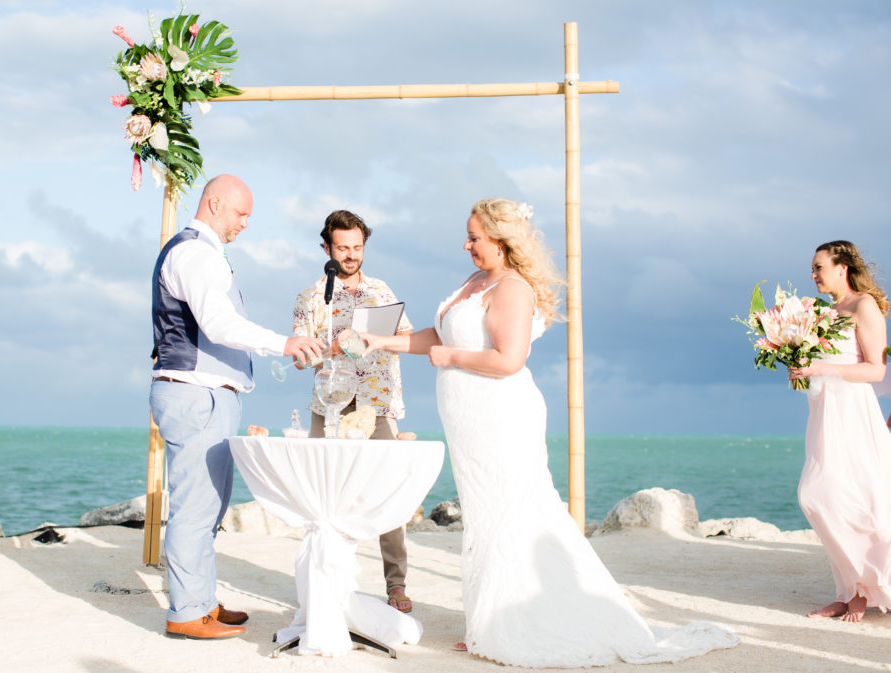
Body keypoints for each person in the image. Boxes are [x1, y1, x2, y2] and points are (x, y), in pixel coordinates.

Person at [361, 199, 737, 666]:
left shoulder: (513, 288)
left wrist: (453, 359)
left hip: (499, 417)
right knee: (485, 515)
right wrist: (383, 342)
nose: (467, 245)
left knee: (511, 512)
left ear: (501, 239)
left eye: (475, 237)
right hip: (469, 422)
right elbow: (438, 337)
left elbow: (508, 359)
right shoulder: (476, 282)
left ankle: (517, 622)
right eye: (468, 236)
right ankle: (491, 620)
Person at [150, 175, 324, 640]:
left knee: (210, 507)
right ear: (214, 203)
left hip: (207, 395)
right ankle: (186, 611)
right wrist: (283, 343)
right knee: (194, 508)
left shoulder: (202, 255)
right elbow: (219, 324)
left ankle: (200, 599)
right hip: (197, 393)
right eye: (241, 213)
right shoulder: (193, 254)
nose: (246, 223)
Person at [291, 209, 415, 612]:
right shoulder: (310, 297)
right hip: (329, 405)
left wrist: (374, 337)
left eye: (357, 247)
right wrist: (331, 347)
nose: (350, 255)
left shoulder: (381, 289)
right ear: (326, 247)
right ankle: (326, 579)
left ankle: (396, 584)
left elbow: (407, 336)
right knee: (322, 494)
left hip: (376, 404)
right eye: (342, 248)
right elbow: (298, 358)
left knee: (388, 492)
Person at [789, 240, 891, 622]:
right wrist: (801, 369)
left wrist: (820, 369)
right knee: (819, 496)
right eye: (813, 269)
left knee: (850, 497)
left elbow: (876, 371)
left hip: (853, 413)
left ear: (841, 268)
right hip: (823, 413)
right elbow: (820, 361)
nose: (813, 275)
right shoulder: (823, 311)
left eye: (819, 267)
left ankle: (860, 591)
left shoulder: (864, 305)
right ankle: (847, 591)